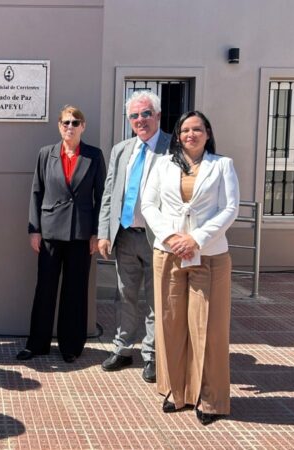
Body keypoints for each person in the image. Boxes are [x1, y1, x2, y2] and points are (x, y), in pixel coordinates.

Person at [140, 111, 239, 425]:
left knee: (207, 327)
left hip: (208, 255)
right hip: (168, 253)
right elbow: (148, 205)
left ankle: (210, 398)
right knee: (170, 324)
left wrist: (196, 238)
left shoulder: (222, 165)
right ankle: (176, 391)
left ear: (207, 133)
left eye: (197, 129)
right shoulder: (161, 164)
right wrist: (171, 237)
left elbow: (230, 208)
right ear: (177, 135)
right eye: (185, 130)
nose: (191, 135)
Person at [17, 105, 106, 363]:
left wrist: (96, 233)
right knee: (45, 289)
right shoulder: (46, 154)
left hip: (80, 234)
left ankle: (71, 346)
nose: (70, 126)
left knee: (75, 291)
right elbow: (36, 191)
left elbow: (101, 197)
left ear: (83, 126)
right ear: (59, 125)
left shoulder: (93, 155)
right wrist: (34, 229)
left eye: (75, 122)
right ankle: (37, 344)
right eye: (66, 122)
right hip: (50, 233)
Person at [97, 91, 170, 383]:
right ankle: (123, 347)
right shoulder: (121, 149)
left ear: (158, 116)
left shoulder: (171, 147)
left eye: (146, 114)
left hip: (158, 237)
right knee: (126, 294)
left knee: (156, 298)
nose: (140, 120)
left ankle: (151, 354)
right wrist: (104, 232)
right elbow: (109, 193)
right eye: (134, 116)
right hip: (125, 235)